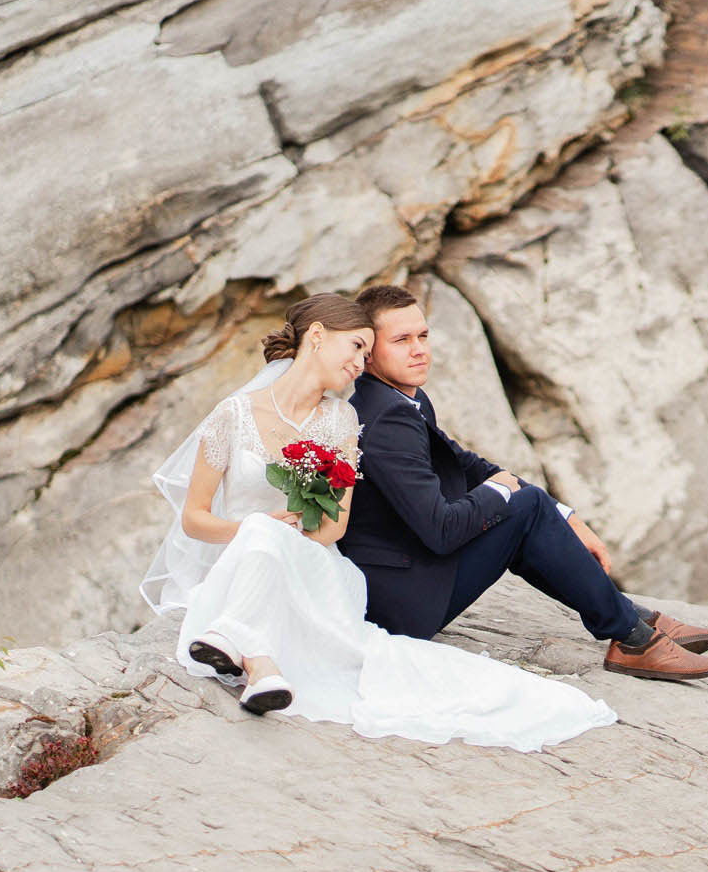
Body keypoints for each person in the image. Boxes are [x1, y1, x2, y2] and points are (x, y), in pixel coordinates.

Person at [139, 294, 618, 751]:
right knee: (261, 531)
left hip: (311, 567)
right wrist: (257, 526)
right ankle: (260, 665)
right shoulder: (232, 415)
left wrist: (287, 529)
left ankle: (234, 640)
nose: (360, 362)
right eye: (356, 346)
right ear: (319, 335)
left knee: (269, 532)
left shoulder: (341, 421)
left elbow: (333, 531)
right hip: (242, 563)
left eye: (368, 351)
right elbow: (195, 520)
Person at [337, 284, 708, 681]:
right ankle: (633, 637)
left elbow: (470, 466)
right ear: (366, 354)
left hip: (407, 577)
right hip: (400, 603)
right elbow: (441, 530)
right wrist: (502, 492)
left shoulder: (399, 400)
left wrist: (566, 516)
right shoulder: (388, 421)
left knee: (529, 507)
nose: (419, 349)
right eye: (401, 340)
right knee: (525, 507)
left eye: (423, 335)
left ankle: (633, 622)